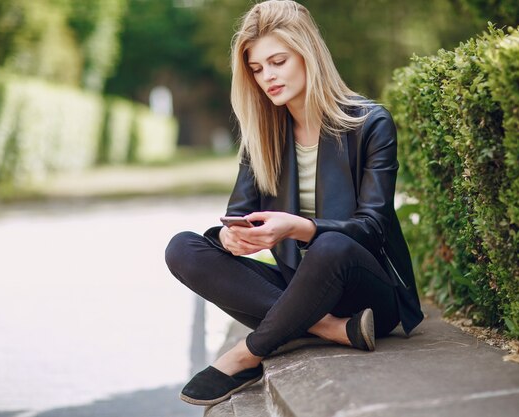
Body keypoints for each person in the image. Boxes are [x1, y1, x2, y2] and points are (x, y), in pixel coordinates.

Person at [165, 0, 423, 407]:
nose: (267, 77)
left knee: (329, 245)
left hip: (368, 294)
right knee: (183, 247)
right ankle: (329, 327)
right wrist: (233, 238)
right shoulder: (263, 135)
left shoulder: (371, 123)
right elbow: (239, 215)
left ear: (307, 54)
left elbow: (371, 227)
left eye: (277, 61)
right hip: (301, 291)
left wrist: (297, 227)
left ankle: (246, 354)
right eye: (257, 68)